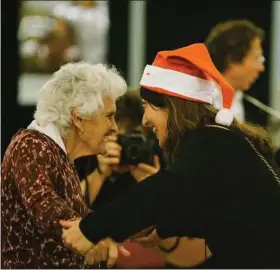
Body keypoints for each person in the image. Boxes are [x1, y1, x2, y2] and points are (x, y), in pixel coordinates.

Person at [61, 43, 280, 268]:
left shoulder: (211, 143)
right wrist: (165, 228)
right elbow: (216, 215)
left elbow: (160, 191)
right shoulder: (218, 139)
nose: (145, 120)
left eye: (147, 106)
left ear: (171, 107)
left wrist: (90, 230)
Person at [1, 62, 127, 268]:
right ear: (78, 118)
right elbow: (43, 204)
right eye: (109, 116)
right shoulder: (31, 145)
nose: (113, 127)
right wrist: (90, 235)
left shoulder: (57, 155)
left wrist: (105, 233)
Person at [75, 90, 165, 268]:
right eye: (123, 140)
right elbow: (70, 213)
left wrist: (155, 186)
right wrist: (100, 174)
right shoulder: (87, 158)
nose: (130, 148)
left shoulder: (158, 161)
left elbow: (172, 231)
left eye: (136, 140)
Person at [205, 19, 265, 122]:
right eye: (257, 59)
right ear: (233, 59)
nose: (261, 68)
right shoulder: (198, 100)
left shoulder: (249, 106)